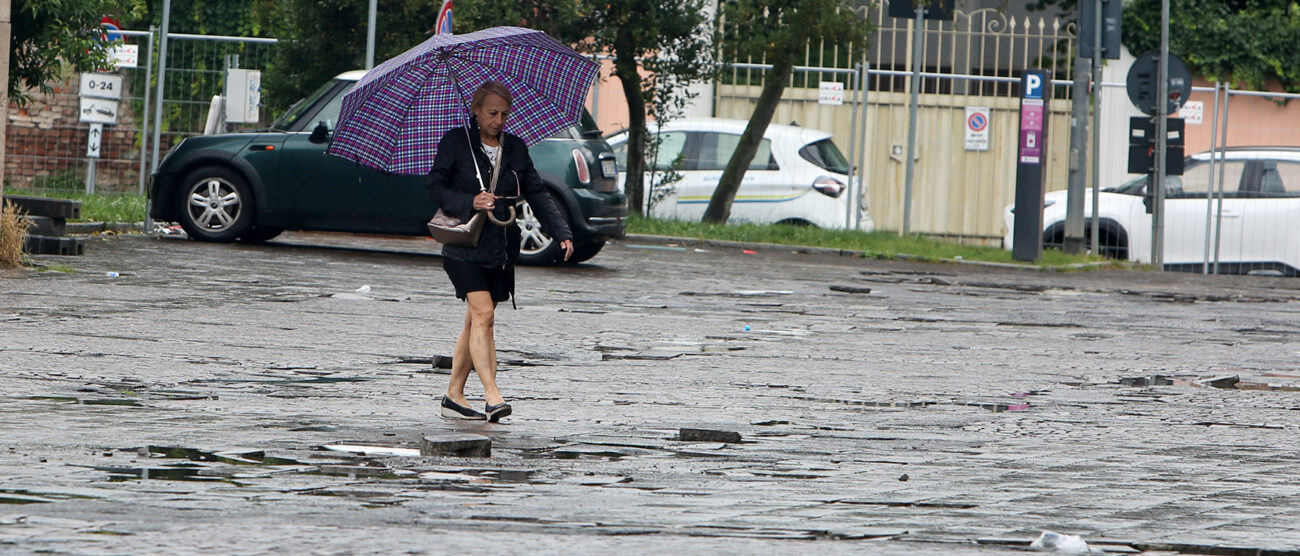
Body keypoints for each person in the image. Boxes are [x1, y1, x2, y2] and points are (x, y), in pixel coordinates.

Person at [427, 81, 574, 422]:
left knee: (475, 319)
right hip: (463, 244)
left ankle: (454, 393)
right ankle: (493, 395)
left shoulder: (516, 148)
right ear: (476, 110)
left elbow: (536, 193)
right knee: (484, 315)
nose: (498, 120)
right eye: (492, 112)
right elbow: (435, 186)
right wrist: (470, 201)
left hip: (500, 247)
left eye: (505, 113)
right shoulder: (456, 142)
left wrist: (561, 232)